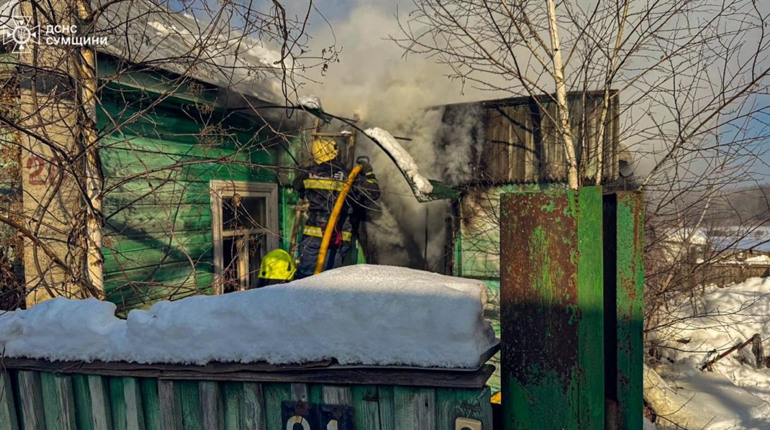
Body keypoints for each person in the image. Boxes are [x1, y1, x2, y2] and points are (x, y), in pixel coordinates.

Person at [293, 138, 380, 279]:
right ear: (334, 152)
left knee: (305, 280)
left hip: (311, 238)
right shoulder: (348, 176)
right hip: (337, 239)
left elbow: (297, 185)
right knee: (329, 281)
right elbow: (373, 192)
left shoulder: (307, 174)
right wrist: (368, 173)